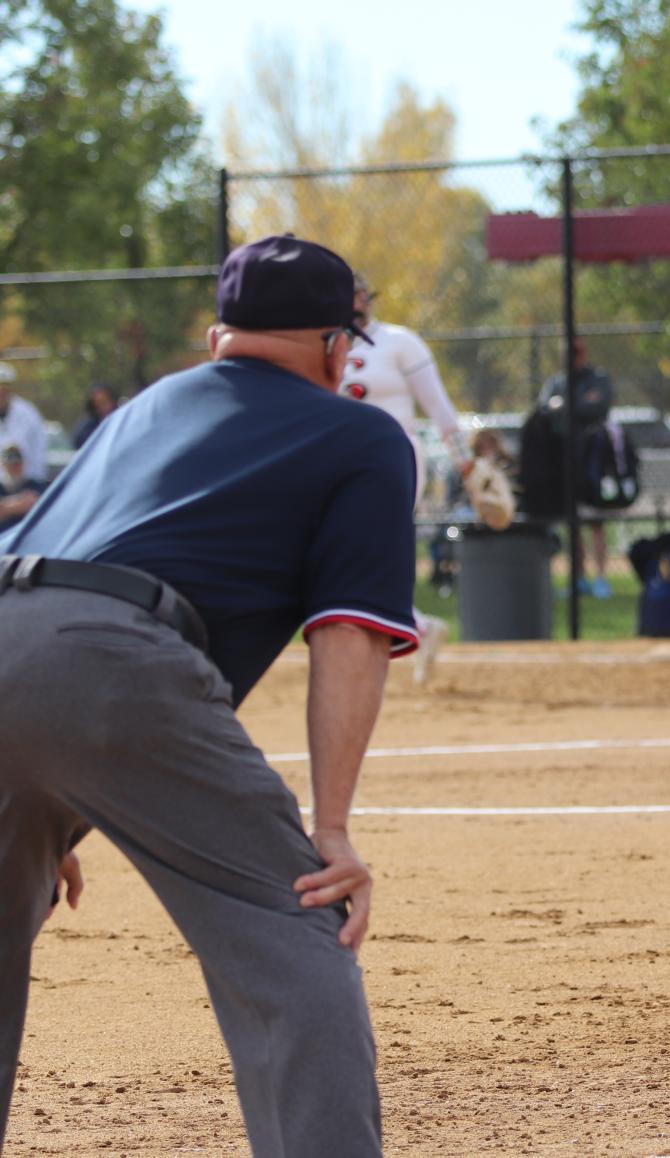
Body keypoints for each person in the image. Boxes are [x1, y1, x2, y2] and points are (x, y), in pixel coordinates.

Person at [0, 234, 418, 1156]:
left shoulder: (143, 410)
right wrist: (334, 830)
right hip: (107, 665)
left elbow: (42, 573)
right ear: (333, 344)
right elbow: (348, 632)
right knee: (299, 928)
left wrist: (45, 799)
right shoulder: (359, 433)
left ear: (218, 333)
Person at [343, 271, 473, 683]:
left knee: (371, 548)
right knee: (352, 553)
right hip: (342, 461)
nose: (353, 303)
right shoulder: (323, 344)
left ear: (369, 298)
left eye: (358, 294)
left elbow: (437, 405)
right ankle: (418, 625)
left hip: (394, 457)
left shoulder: (399, 341)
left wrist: (464, 458)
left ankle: (409, 626)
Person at [539, 339, 616, 597]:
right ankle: (579, 578)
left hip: (593, 461)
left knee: (595, 522)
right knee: (572, 525)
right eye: (568, 354)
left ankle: (601, 578)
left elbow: (599, 406)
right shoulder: (557, 382)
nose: (572, 358)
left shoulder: (597, 377)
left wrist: (567, 406)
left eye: (576, 353)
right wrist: (575, 405)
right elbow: (544, 408)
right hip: (565, 460)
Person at [0, 364, 47, 484]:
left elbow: (38, 450)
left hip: (25, 485)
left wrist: (35, 483)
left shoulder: (28, 414)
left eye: (5, 387)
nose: (1, 392)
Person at [0, 445, 44, 530]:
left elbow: (34, 504)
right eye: (10, 464)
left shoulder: (34, 485)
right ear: (2, 464)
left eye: (17, 463)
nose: (14, 467)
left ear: (23, 463)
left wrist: (6, 506)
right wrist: (19, 502)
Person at [70, 382, 118, 449]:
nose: (105, 407)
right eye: (99, 403)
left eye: (105, 402)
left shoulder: (121, 420)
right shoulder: (86, 429)